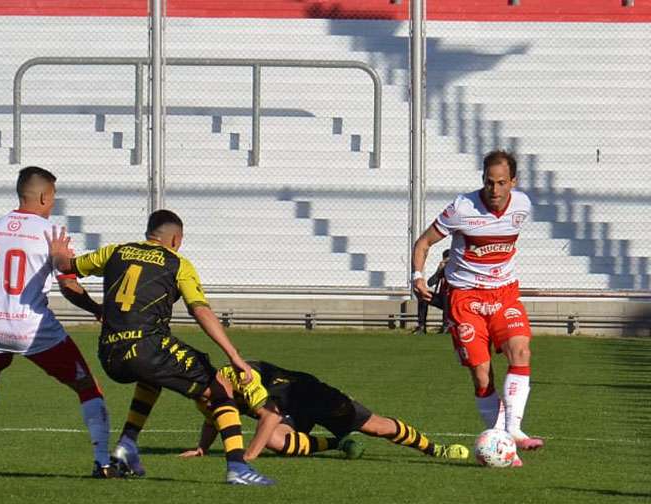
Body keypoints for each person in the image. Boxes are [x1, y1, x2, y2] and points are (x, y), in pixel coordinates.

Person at [48, 209, 275, 486]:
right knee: (220, 387)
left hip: (109, 353)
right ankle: (238, 467)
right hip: (146, 346)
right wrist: (234, 355)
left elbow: (65, 270)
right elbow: (200, 310)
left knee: (151, 377)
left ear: (149, 234)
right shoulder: (178, 263)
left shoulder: (116, 251)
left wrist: (58, 253)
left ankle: (126, 447)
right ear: (176, 239)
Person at [0, 166, 116, 478]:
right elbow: (68, 286)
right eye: (52, 198)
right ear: (42, 196)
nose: (52, 204)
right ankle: (103, 462)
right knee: (87, 386)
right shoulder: (50, 233)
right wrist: (95, 308)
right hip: (33, 331)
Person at [411, 149, 543, 467]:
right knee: (482, 375)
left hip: (504, 294)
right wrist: (417, 276)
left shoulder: (523, 206)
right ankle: (497, 438)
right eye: (488, 182)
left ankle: (513, 431)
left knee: (521, 352)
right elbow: (424, 242)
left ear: (513, 182)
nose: (494, 190)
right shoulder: (462, 208)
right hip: (466, 298)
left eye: (501, 183)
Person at [180, 360, 469, 462]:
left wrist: (248, 456)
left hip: (314, 396)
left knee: (377, 427)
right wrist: (202, 449)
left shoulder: (243, 377)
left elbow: (269, 416)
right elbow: (214, 421)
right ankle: (336, 444)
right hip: (288, 410)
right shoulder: (206, 394)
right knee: (274, 440)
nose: (211, 404)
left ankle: (435, 450)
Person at [414, 249, 450, 334]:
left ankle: (446, 326)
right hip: (442, 300)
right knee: (424, 297)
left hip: (454, 300)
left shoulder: (457, 271)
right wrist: (439, 271)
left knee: (446, 295)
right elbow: (430, 283)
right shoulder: (442, 271)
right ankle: (421, 327)